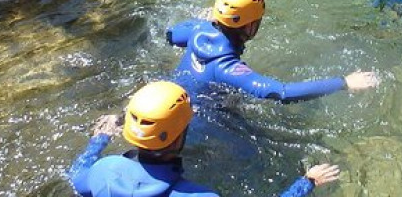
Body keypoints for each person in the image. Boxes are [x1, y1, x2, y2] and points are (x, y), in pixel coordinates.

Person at [69, 81, 341, 197]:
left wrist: (99, 140)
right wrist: (307, 182)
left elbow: (76, 174)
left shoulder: (101, 171)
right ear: (178, 138)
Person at [167, 0, 380, 101]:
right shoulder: (228, 68)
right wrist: (344, 83)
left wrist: (202, 22)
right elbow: (282, 92)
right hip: (199, 115)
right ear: (250, 27)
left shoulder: (197, 29)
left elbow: (171, 35)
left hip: (171, 94)